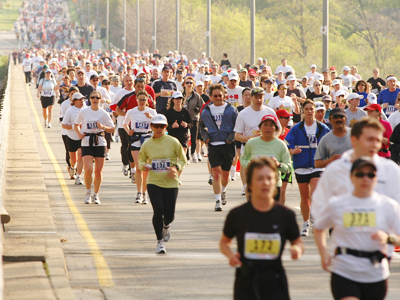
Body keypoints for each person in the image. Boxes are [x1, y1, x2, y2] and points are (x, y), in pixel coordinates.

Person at [314, 157, 400, 300]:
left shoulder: (388, 205)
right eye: (360, 174)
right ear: (351, 178)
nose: (365, 179)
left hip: (375, 273)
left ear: (376, 178)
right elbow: (319, 228)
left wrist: (388, 238)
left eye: (370, 175)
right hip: (345, 271)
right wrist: (323, 253)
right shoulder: (337, 204)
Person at [219, 157, 304, 300]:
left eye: (269, 178)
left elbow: (298, 242)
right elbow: (224, 242)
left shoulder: (285, 215)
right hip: (246, 282)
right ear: (250, 184)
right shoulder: (238, 214)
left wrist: (297, 250)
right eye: (259, 178)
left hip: (275, 281)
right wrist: (231, 256)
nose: (265, 183)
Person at [312, 118, 400, 229]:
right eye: (369, 139)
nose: (374, 145)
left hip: (381, 243)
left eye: (377, 140)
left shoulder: (391, 170)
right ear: (354, 140)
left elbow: (397, 210)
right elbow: (319, 208)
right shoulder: (334, 170)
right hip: (344, 240)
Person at [138, 114, 187, 253]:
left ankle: (166, 225)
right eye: (156, 126)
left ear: (166, 127)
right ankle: (159, 241)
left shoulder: (173, 141)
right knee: (158, 210)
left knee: (170, 215)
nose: (159, 129)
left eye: (162, 126)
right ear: (151, 127)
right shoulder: (147, 144)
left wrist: (175, 168)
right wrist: (145, 166)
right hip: (154, 182)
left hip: (171, 182)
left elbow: (183, 160)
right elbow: (141, 161)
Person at [285, 100, 330, 236]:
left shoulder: (323, 128)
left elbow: (330, 143)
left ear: (315, 111)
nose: (309, 111)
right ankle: (306, 223)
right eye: (307, 109)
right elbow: (287, 144)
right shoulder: (297, 128)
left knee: (315, 194)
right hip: (301, 166)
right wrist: (293, 151)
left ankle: (315, 219)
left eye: (312, 109)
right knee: (304, 196)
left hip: (317, 166)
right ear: (302, 111)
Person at [234, 87, 281, 193]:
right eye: (256, 97)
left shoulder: (270, 111)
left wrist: (274, 138)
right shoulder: (243, 113)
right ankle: (246, 187)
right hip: (249, 147)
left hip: (267, 147)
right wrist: (252, 138)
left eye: (261, 97)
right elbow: (237, 136)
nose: (259, 100)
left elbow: (279, 128)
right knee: (249, 174)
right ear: (251, 98)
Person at [200, 83, 238, 211]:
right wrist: (206, 137)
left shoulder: (232, 110)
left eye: (220, 95)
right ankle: (217, 201)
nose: (218, 98)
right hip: (213, 145)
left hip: (227, 146)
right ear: (210, 97)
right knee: (215, 173)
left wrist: (230, 138)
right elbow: (201, 127)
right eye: (215, 96)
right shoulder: (206, 111)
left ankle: (223, 190)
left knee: (225, 175)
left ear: (224, 95)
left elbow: (237, 127)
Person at [74, 91, 116, 204]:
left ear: (100, 99)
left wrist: (103, 127)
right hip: (87, 142)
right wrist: (79, 134)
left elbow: (112, 129)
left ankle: (96, 194)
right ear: (90, 99)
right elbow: (76, 124)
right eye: (92, 97)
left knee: (98, 171)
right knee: (88, 170)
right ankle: (88, 192)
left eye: (97, 97)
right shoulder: (84, 111)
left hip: (100, 142)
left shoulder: (103, 113)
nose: (95, 99)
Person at [240, 115, 291, 202]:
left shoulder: (281, 145)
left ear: (275, 128)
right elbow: (243, 159)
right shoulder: (251, 143)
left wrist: (278, 165)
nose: (268, 128)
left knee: (273, 215)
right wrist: (251, 165)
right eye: (265, 125)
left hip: (274, 185)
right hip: (255, 184)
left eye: (271, 125)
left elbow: (288, 167)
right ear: (260, 127)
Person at [123, 90, 157, 204]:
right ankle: (139, 193)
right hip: (136, 139)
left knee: (146, 168)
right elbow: (124, 124)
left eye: (144, 99)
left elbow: (158, 125)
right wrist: (129, 131)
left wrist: (151, 117)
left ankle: (144, 193)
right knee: (138, 167)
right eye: (140, 99)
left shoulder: (151, 111)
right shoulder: (131, 112)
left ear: (147, 100)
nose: (142, 102)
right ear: (136, 100)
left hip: (147, 139)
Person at [165, 91, 193, 177]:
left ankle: (178, 176)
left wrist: (186, 124)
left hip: (183, 137)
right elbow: (164, 126)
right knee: (172, 159)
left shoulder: (185, 112)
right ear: (173, 100)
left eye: (180, 98)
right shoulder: (168, 112)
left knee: (183, 159)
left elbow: (192, 124)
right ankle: (173, 174)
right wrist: (171, 126)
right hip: (172, 138)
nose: (178, 100)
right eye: (177, 98)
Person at [62, 92, 86, 185]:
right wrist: (75, 126)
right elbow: (64, 125)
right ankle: (72, 167)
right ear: (74, 101)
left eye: (83, 99)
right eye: (80, 100)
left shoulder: (85, 109)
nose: (82, 101)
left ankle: (79, 177)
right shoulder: (70, 110)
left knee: (81, 156)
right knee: (73, 159)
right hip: (71, 137)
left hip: (82, 137)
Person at [182, 77, 204, 163]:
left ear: (193, 85)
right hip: (184, 119)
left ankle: (193, 153)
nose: (189, 84)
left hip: (194, 118)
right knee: (185, 138)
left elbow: (202, 106)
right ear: (184, 84)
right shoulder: (181, 95)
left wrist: (197, 109)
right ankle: (186, 157)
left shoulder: (197, 96)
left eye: (191, 83)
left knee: (194, 138)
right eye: (187, 83)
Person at [60, 86, 79, 179]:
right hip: (67, 133)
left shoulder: (83, 106)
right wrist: (73, 125)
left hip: (79, 134)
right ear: (69, 95)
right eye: (72, 94)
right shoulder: (65, 104)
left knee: (80, 154)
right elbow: (61, 118)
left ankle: (76, 171)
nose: (74, 96)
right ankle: (71, 166)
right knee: (70, 153)